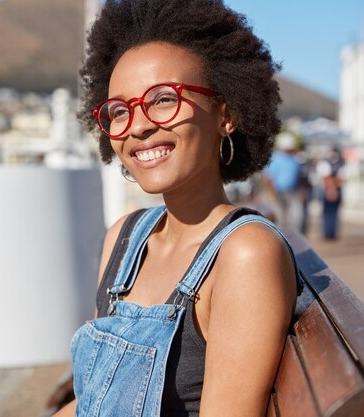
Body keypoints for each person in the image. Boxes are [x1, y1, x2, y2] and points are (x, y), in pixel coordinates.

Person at [52, 1, 299, 416]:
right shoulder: (125, 238)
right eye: (119, 111)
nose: (139, 125)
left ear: (227, 114)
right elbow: (93, 400)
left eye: (164, 99)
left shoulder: (245, 254)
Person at [263, 132, 305, 232]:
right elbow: (269, 177)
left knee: (295, 217)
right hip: (279, 192)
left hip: (293, 192)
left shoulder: (295, 159)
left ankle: (293, 237)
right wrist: (273, 192)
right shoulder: (275, 158)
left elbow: (298, 177)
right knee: (280, 217)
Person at [317, 147, 345, 240]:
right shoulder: (340, 164)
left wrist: (331, 189)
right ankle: (329, 233)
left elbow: (327, 178)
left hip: (329, 189)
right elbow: (329, 178)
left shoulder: (325, 163)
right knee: (331, 213)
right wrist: (333, 188)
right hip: (333, 189)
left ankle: (329, 233)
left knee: (329, 213)